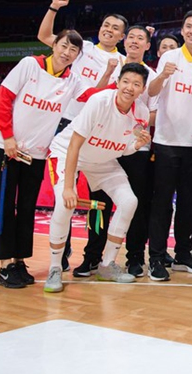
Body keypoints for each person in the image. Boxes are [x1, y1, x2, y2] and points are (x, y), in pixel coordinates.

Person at [0, 30, 84, 288]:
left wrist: (115, 80)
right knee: (5, 207)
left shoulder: (72, 80)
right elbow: (3, 99)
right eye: (64, 46)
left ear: (77, 56)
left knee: (27, 209)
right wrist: (8, 137)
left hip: (37, 155)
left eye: (73, 50)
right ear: (54, 44)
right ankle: (4, 266)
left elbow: (92, 96)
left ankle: (19, 261)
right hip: (8, 149)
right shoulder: (30, 64)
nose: (66, 53)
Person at [44, 63, 152, 293]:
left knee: (129, 201)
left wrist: (136, 145)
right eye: (126, 81)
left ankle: (107, 265)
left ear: (142, 89)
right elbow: (74, 145)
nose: (130, 88)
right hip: (68, 153)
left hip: (103, 161)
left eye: (136, 84)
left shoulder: (141, 113)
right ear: (118, 82)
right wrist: (70, 187)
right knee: (65, 204)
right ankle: (55, 268)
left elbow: (123, 149)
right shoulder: (100, 101)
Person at [73, 26, 160, 278]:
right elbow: (97, 99)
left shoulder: (151, 76)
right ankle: (92, 257)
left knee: (135, 204)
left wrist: (137, 128)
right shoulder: (114, 65)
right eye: (130, 36)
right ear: (124, 41)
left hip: (135, 148)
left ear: (147, 45)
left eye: (140, 38)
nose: (134, 41)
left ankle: (134, 257)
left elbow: (153, 113)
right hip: (103, 147)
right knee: (99, 204)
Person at [146, 11, 192, 282]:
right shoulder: (169, 57)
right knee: (162, 204)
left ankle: (183, 252)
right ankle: (157, 257)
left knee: (189, 203)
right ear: (183, 31)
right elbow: (151, 93)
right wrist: (162, 76)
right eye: (189, 27)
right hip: (166, 142)